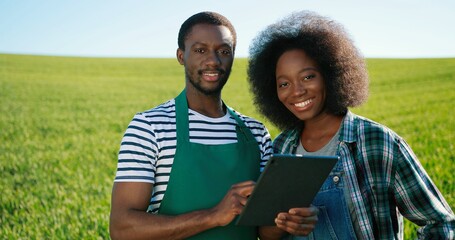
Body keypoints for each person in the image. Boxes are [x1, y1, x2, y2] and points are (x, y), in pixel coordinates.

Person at [110, 11, 318, 240]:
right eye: (200, 50)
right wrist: (213, 216)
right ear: (181, 56)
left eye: (223, 51)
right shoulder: (150, 127)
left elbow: (264, 232)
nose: (213, 60)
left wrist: (288, 219)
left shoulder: (256, 133)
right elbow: (122, 229)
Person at [247, 10, 455, 239]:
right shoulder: (281, 148)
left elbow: (439, 223)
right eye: (284, 83)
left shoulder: (378, 142)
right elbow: (266, 234)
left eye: (308, 77)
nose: (296, 91)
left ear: (331, 73)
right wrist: (286, 223)